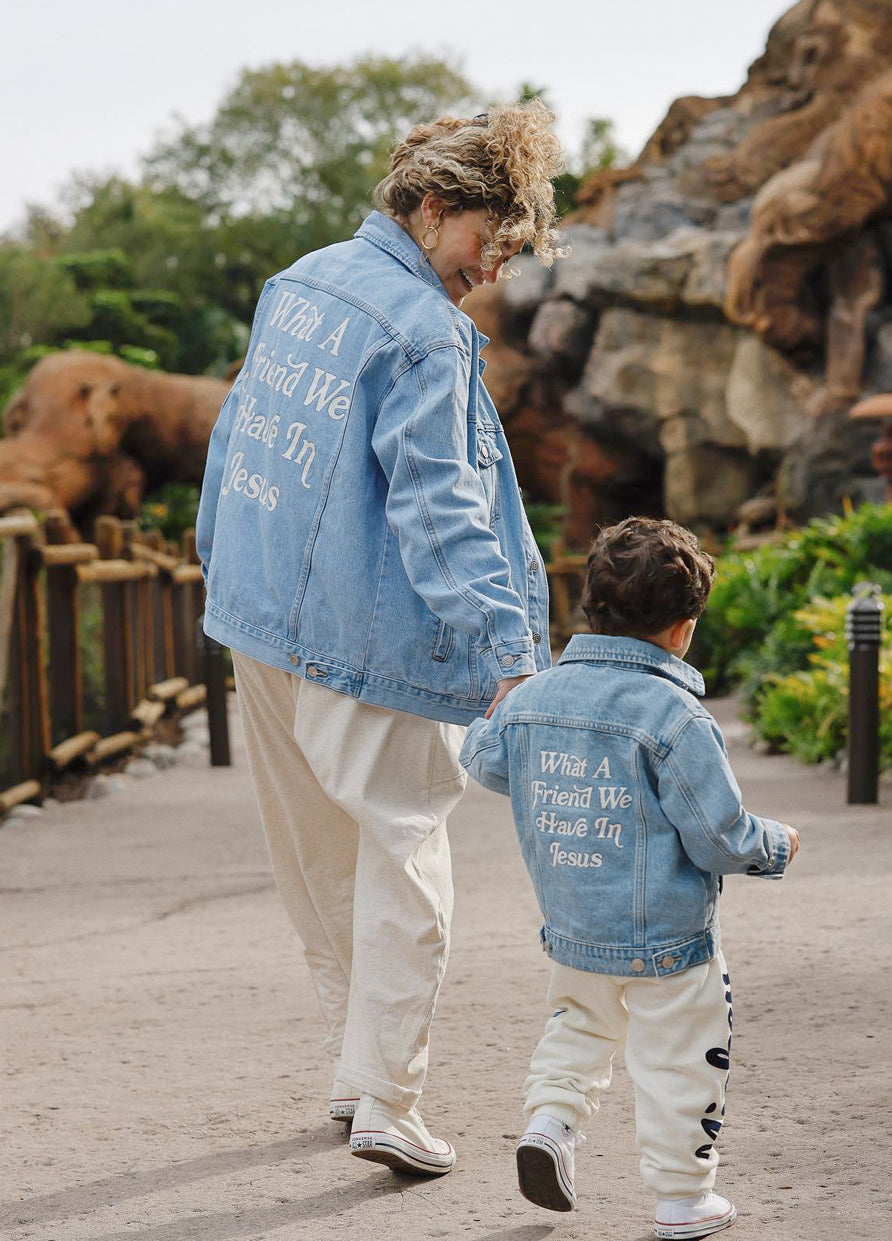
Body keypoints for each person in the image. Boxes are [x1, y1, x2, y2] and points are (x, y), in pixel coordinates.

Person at [196, 101, 564, 1177]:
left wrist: (221, 562)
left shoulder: (300, 282)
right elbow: (439, 505)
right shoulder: (424, 333)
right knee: (403, 851)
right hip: (365, 634)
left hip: (260, 616)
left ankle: (357, 1074)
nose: (492, 269)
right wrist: (508, 655)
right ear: (433, 204)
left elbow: (235, 437)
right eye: (486, 241)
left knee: (320, 856)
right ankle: (389, 1100)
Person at [460, 516, 801, 1238]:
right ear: (683, 629)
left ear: (592, 608)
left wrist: (497, 716)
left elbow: (489, 761)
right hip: (671, 940)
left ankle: (551, 1124)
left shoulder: (536, 699)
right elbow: (717, 837)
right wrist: (774, 844)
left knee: (577, 1028)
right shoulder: (676, 716)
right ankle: (682, 1198)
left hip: (576, 927)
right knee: (682, 1059)